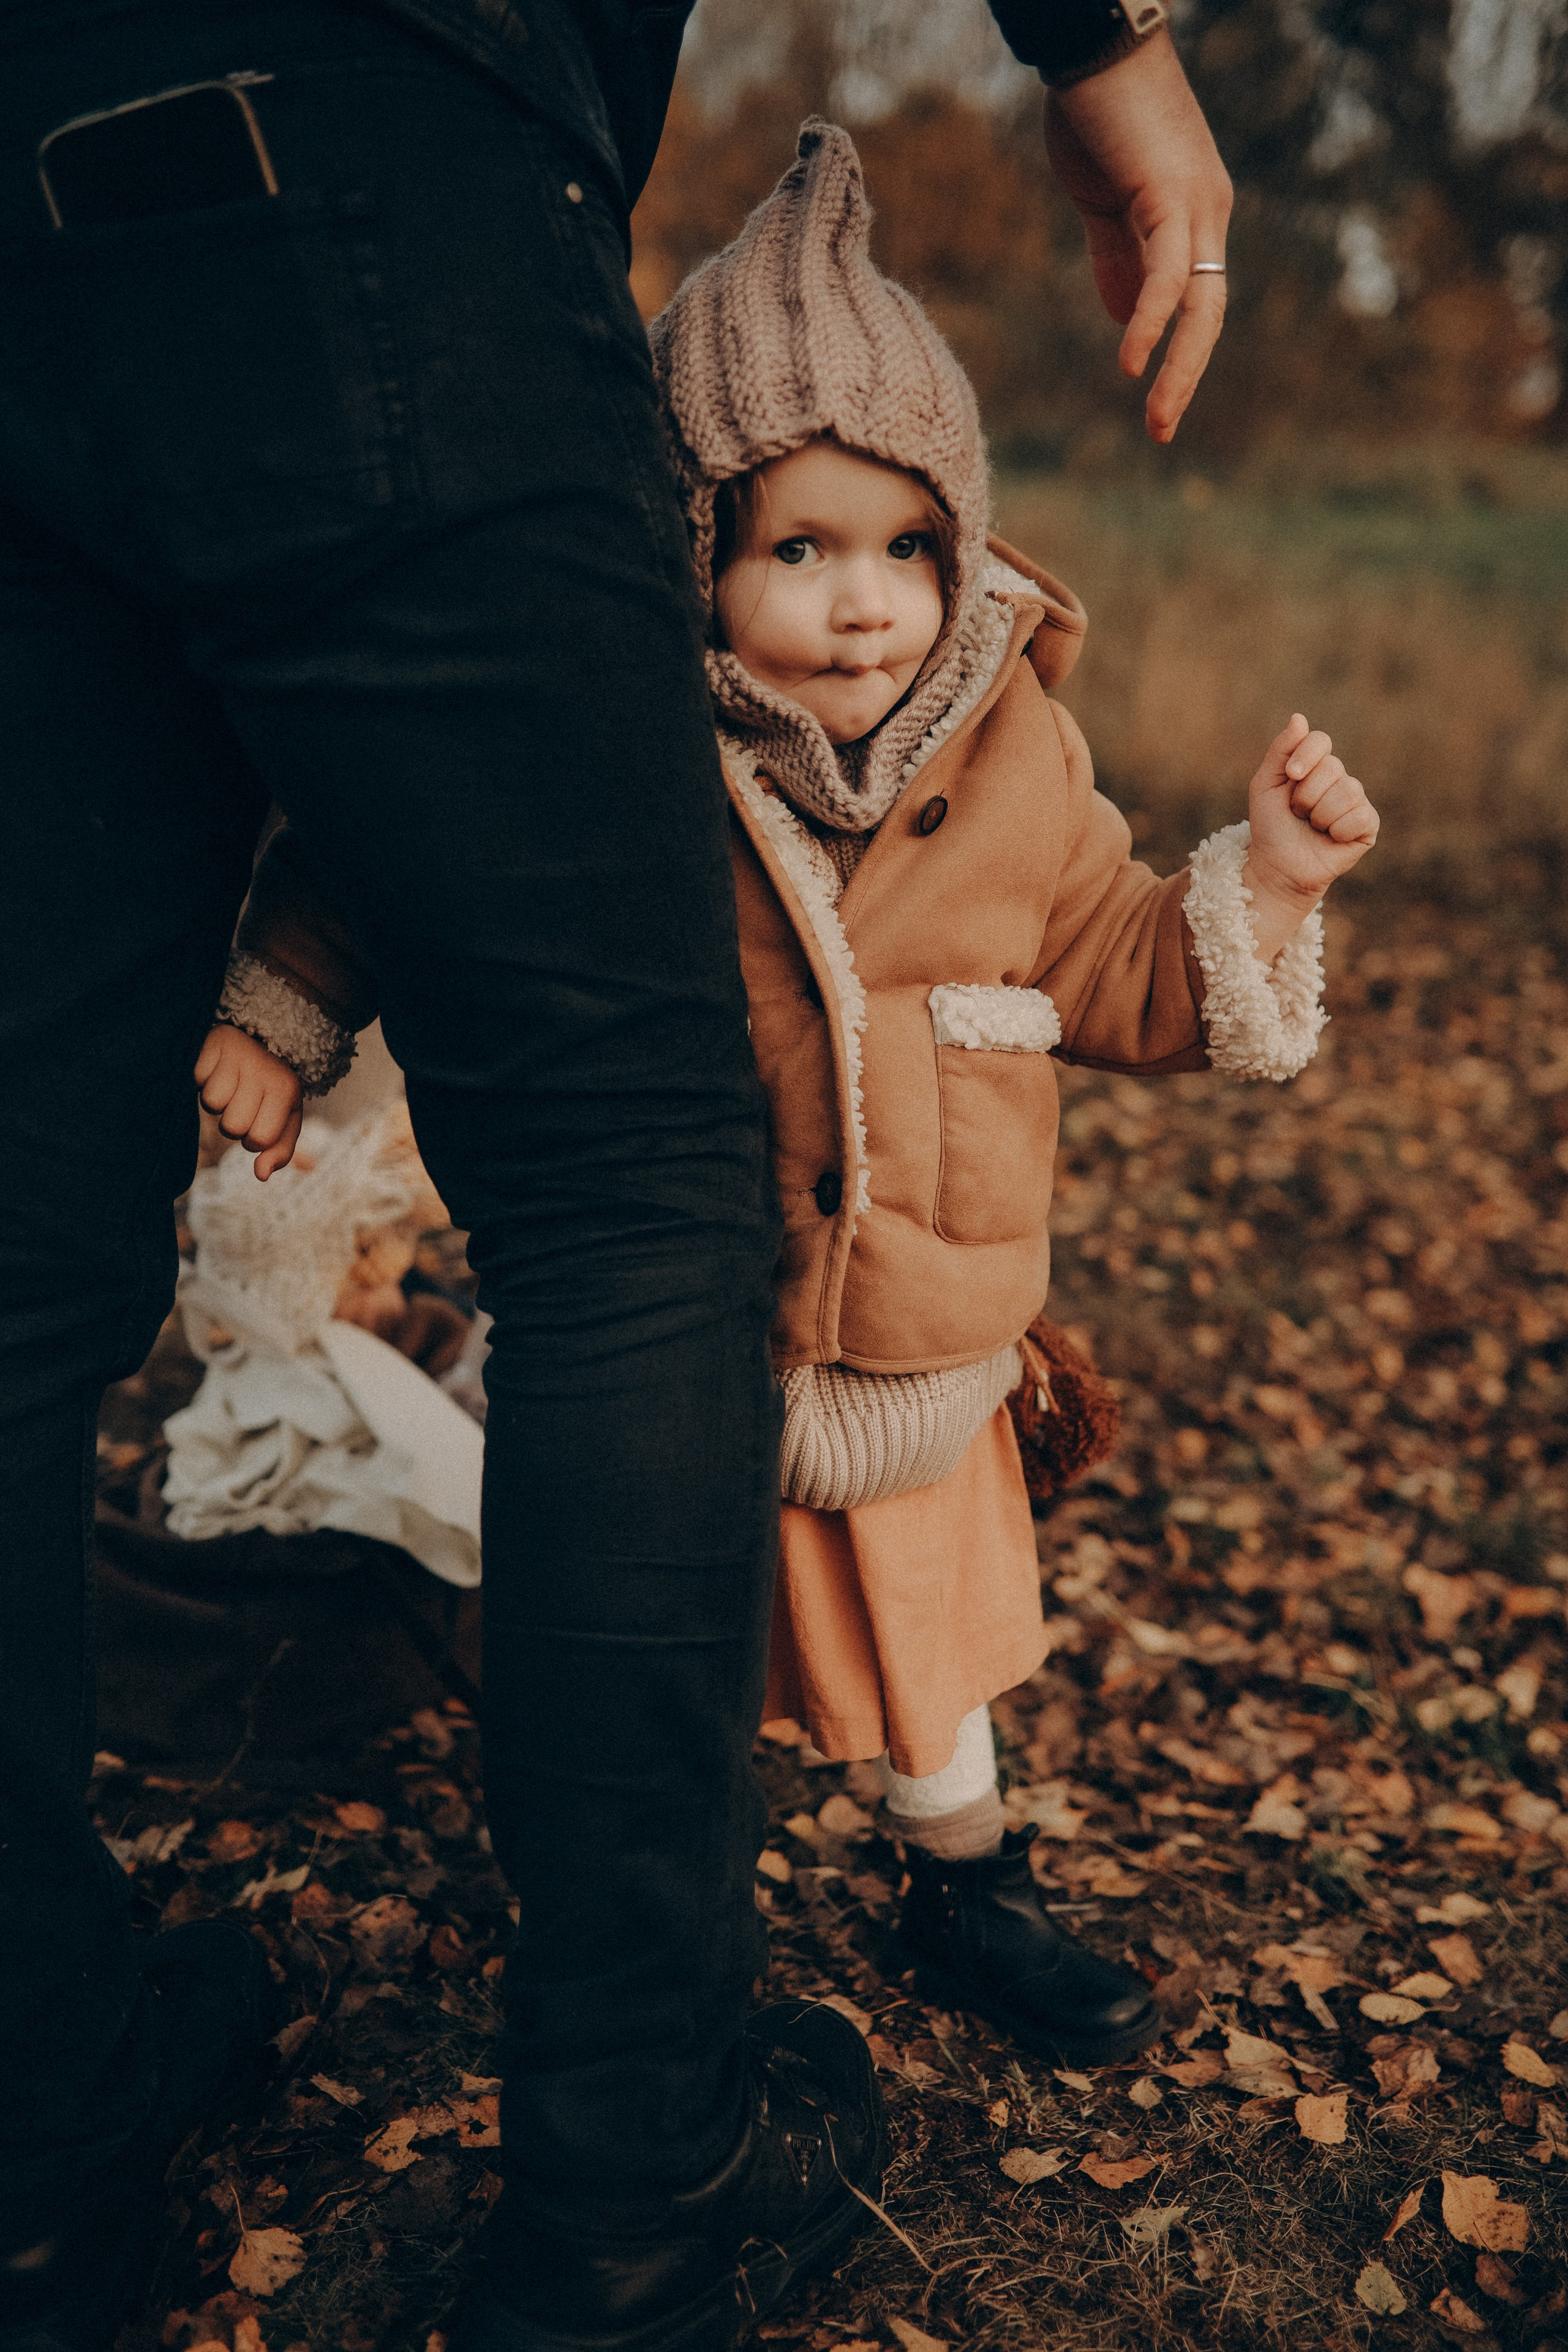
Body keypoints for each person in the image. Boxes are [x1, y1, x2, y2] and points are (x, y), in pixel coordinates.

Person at [0, 6, 1234, 2350]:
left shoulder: (1017, 760)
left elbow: (1118, 937)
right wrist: (1105, 44)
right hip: (369, 144)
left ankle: (34, 2147)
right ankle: (636, 2186)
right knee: (631, 1207)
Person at [205, 119, 1378, 2088]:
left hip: (923, 1326)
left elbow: (1119, 961)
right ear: (693, 554)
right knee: (664, 1661)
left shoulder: (1018, 756)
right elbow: (418, 846)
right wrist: (290, 1005)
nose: (865, 605)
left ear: (964, 538)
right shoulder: (621, 733)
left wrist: (1261, 881)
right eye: (798, 550)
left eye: (909, 547)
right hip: (684, 1329)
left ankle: (965, 1879)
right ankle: (662, 1937)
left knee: (924, 1652)